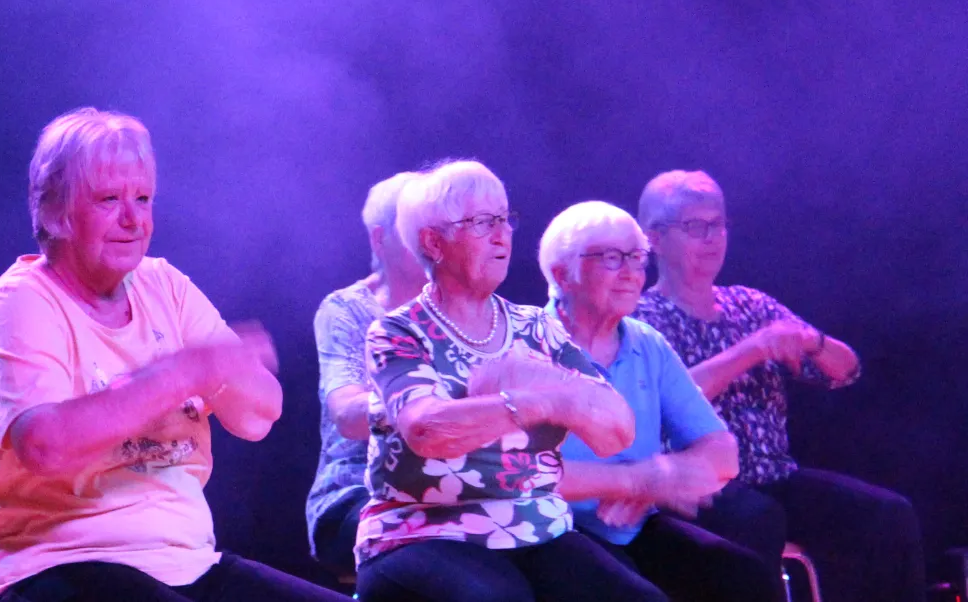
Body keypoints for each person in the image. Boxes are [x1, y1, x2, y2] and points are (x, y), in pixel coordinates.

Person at [0, 108, 346, 602]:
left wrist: (218, 372)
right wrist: (184, 372)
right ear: (56, 212)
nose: (133, 219)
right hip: (52, 565)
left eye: (142, 198)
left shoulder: (164, 285)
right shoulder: (21, 302)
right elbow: (45, 447)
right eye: (109, 199)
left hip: (188, 564)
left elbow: (258, 416)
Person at [352, 161, 662, 602]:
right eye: (483, 222)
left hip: (537, 528)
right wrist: (538, 403)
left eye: (505, 219)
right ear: (433, 242)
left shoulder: (537, 328)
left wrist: (547, 380)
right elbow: (426, 429)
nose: (503, 235)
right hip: (422, 533)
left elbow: (616, 431)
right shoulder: (398, 331)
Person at [631, 170, 922, 602]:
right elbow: (663, 404)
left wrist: (813, 342)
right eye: (695, 226)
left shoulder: (750, 304)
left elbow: (847, 370)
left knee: (887, 515)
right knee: (757, 519)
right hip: (693, 486)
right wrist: (750, 350)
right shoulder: (641, 317)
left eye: (719, 224)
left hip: (774, 475)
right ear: (654, 238)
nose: (712, 239)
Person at [539, 201, 781, 602]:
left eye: (637, 257)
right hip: (551, 530)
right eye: (612, 258)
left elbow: (722, 451)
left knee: (744, 577)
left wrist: (658, 477)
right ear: (563, 274)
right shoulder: (526, 343)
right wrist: (639, 480)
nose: (632, 272)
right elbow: (512, 473)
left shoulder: (646, 342)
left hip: (633, 524)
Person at [305, 170, 423, 580]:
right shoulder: (347, 310)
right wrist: (435, 404)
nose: (430, 240)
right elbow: (348, 416)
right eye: (414, 227)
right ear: (379, 238)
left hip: (449, 492)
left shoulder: (463, 309)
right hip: (357, 493)